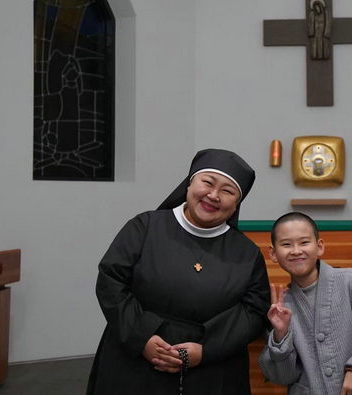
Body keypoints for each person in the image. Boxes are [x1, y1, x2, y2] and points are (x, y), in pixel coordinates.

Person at [87, 149, 271, 394]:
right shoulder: (145, 227)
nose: (213, 195)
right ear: (189, 183)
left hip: (211, 368)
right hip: (134, 357)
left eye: (228, 191)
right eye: (207, 183)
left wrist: (205, 350)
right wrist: (142, 338)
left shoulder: (247, 253)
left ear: (237, 203)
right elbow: (111, 280)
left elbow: (255, 311)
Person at [259, 212, 352, 395]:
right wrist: (280, 335)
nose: (296, 250)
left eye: (304, 242)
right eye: (286, 244)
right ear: (273, 253)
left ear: (319, 247)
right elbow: (283, 377)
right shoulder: (280, 309)